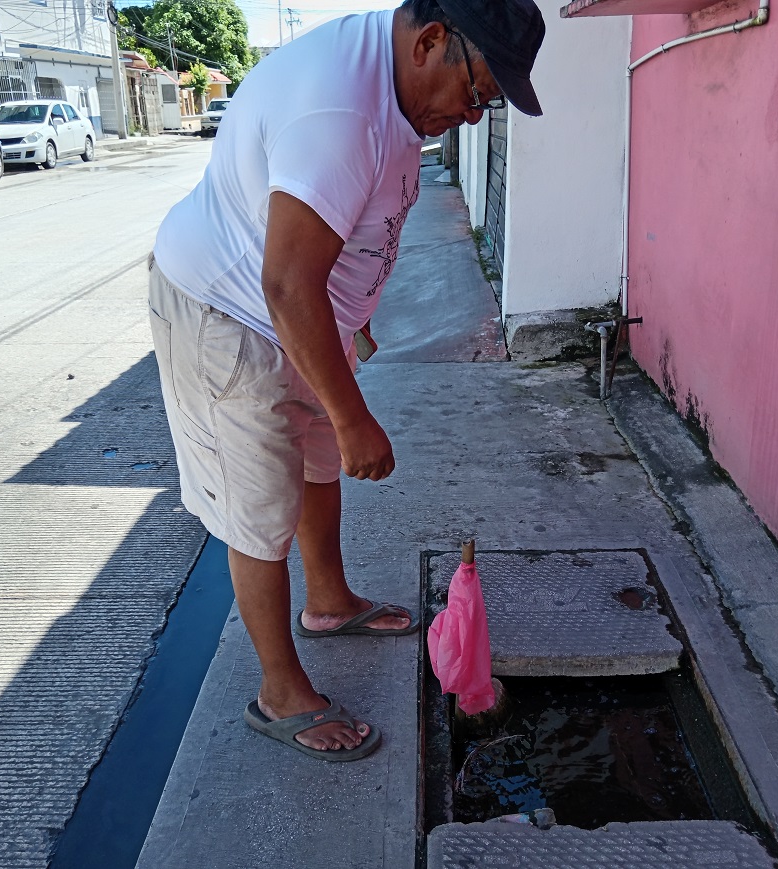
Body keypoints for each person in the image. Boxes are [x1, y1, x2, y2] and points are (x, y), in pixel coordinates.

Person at [147, 0, 545, 761]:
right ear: (431, 42)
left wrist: (353, 318)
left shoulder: (397, 84)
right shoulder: (339, 109)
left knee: (317, 462)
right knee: (260, 503)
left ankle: (327, 602)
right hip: (229, 310)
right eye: (479, 92)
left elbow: (352, 227)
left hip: (301, 312)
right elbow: (288, 284)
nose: (472, 114)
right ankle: (279, 692)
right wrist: (353, 411)